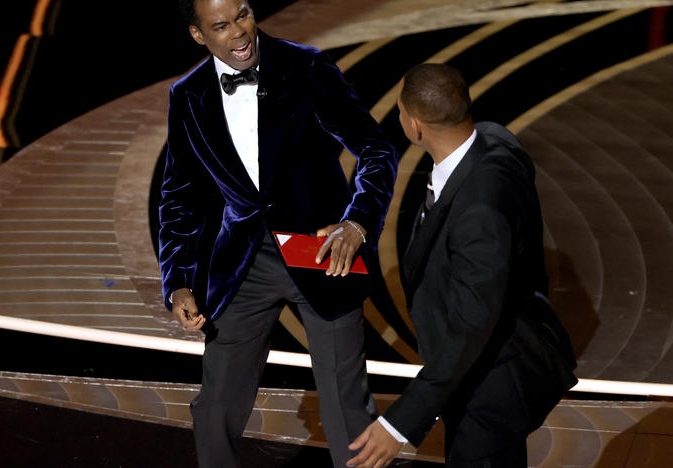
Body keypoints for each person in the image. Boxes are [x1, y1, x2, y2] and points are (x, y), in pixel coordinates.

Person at [158, 0, 399, 466]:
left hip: (322, 253)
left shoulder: (306, 66)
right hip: (243, 263)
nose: (239, 33)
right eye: (221, 26)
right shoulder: (187, 95)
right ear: (197, 35)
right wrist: (179, 280)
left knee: (347, 412)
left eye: (243, 15)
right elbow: (179, 195)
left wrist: (358, 221)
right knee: (214, 410)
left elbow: (376, 149)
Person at [347, 64, 577, 468]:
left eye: (400, 111)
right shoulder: (496, 139)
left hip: (488, 388)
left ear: (415, 127)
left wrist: (400, 424)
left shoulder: (480, 212)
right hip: (485, 369)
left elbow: (474, 325)